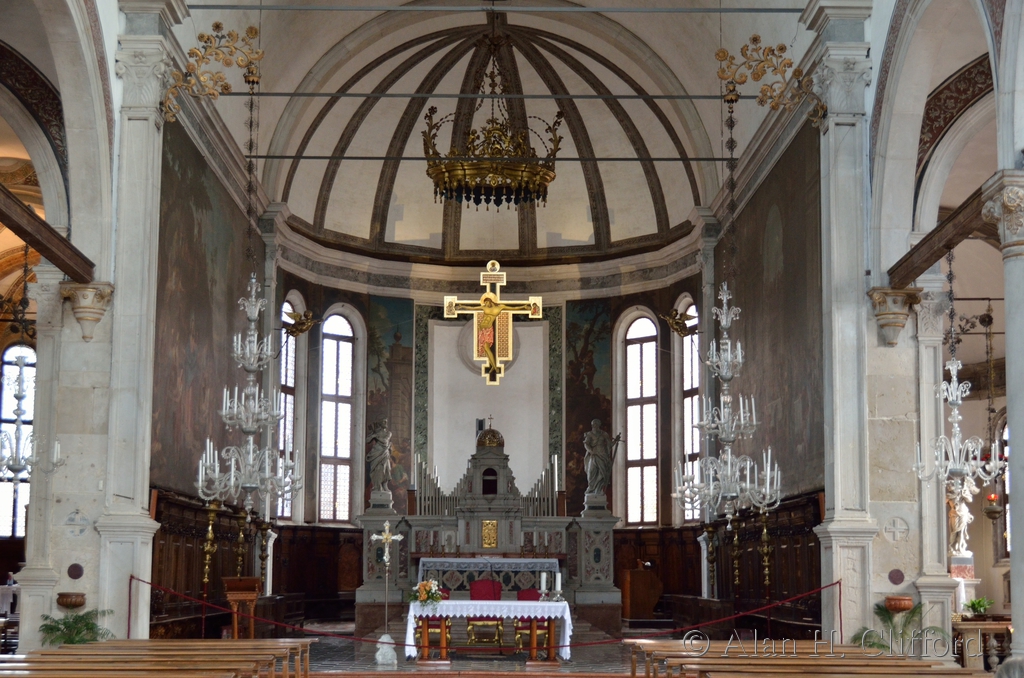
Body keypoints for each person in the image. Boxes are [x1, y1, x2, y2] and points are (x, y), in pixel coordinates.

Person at [584, 419, 621, 495]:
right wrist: (591, 451)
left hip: (602, 455)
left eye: (596, 424)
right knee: (591, 472)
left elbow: (609, 445)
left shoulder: (604, 434)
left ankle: (598, 489)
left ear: (599, 425)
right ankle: (591, 488)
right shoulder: (589, 434)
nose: (594, 426)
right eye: (593, 424)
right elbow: (586, 444)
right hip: (593, 454)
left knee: (602, 473)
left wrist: (615, 441)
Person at [367, 421, 393, 493]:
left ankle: (385, 485)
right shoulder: (376, 433)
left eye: (386, 422)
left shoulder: (388, 433)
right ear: (380, 424)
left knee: (386, 469)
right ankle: (377, 486)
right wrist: (372, 435)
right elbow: (367, 440)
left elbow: (385, 441)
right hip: (376, 453)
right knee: (377, 469)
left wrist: (376, 436)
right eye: (384, 422)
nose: (386, 424)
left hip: (384, 453)